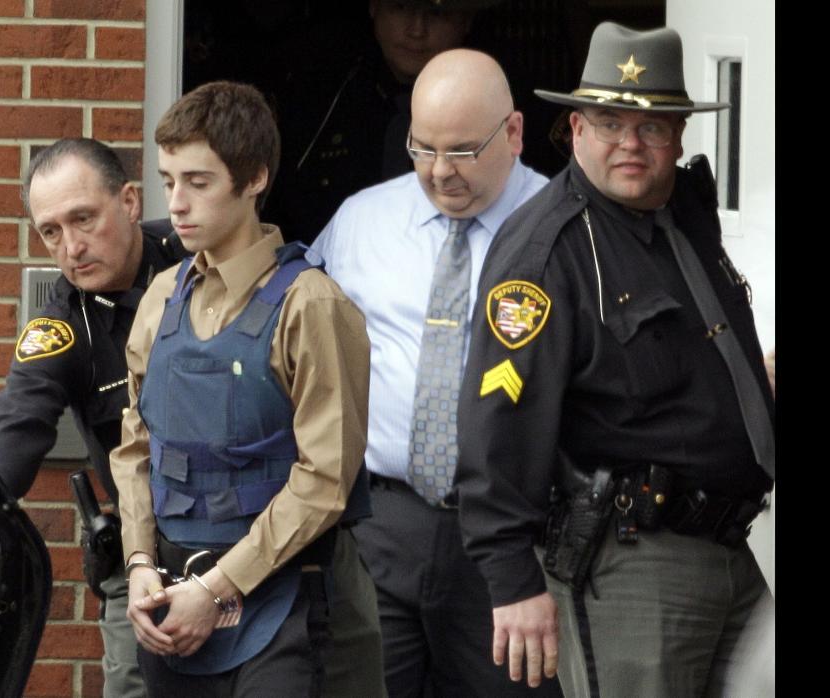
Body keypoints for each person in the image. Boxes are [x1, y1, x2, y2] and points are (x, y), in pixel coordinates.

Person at [456, 22, 775, 697]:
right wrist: (512, 582)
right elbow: (496, 426)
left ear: (681, 134)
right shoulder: (545, 253)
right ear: (575, 130)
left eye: (652, 125)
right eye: (610, 121)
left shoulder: (683, 218)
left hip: (730, 553)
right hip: (632, 568)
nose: (631, 142)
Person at [110, 80, 382, 697]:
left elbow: (324, 481)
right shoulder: (160, 298)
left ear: (254, 179)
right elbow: (135, 448)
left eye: (198, 182)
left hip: (287, 603)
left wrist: (215, 588)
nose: (175, 203)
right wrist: (139, 565)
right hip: (171, 602)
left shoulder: (311, 305)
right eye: (168, 179)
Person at [313, 49, 559, 696]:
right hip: (381, 524)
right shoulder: (361, 222)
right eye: (422, 148)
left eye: (462, 151)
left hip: (514, 538)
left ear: (513, 133)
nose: (440, 173)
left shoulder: (564, 229)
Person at [0, 137, 188, 698]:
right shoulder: (62, 329)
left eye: (83, 218)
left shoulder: (195, 257)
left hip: (249, 544)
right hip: (144, 560)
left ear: (128, 201)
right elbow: (10, 439)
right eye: (51, 232)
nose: (71, 247)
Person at [266, 0, 500, 246]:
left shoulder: (497, 113)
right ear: (374, 8)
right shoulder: (325, 100)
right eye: (401, 7)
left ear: (466, 20)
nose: (417, 30)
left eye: (436, 13)